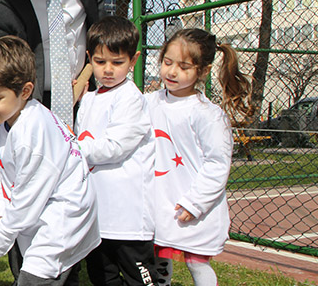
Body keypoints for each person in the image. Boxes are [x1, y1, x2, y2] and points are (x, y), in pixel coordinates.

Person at [0, 35, 100, 286]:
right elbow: (2, 171)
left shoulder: (31, 132)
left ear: (24, 91)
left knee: (34, 277)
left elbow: (27, 200)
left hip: (63, 215)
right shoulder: (12, 119)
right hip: (42, 211)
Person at [146, 28, 252, 286]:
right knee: (158, 255)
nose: (171, 72)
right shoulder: (148, 102)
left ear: (202, 71)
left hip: (192, 205)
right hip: (159, 199)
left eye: (183, 67)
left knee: (196, 261)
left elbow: (218, 164)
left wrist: (195, 203)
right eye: (167, 63)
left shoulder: (208, 114)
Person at [74, 16, 158, 285]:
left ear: (133, 61)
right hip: (97, 214)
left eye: (117, 62)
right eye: (100, 62)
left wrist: (71, 149)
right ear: (89, 59)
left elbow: (114, 147)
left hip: (128, 218)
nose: (108, 69)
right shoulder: (88, 100)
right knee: (103, 277)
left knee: (140, 279)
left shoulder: (131, 98)